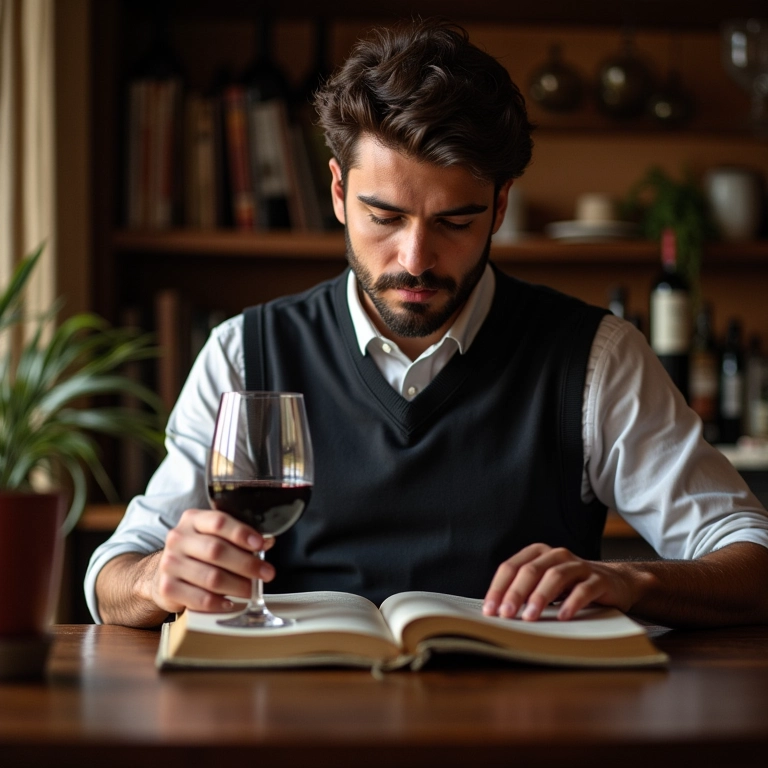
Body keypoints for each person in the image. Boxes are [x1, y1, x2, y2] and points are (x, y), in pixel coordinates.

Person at [88, 18, 768, 629]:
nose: (415, 259)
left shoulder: (594, 358)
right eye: (384, 217)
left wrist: (631, 581)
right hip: (298, 710)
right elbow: (112, 575)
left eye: (455, 221)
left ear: (500, 207)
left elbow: (753, 558)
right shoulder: (243, 352)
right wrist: (156, 577)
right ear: (338, 192)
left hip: (529, 714)